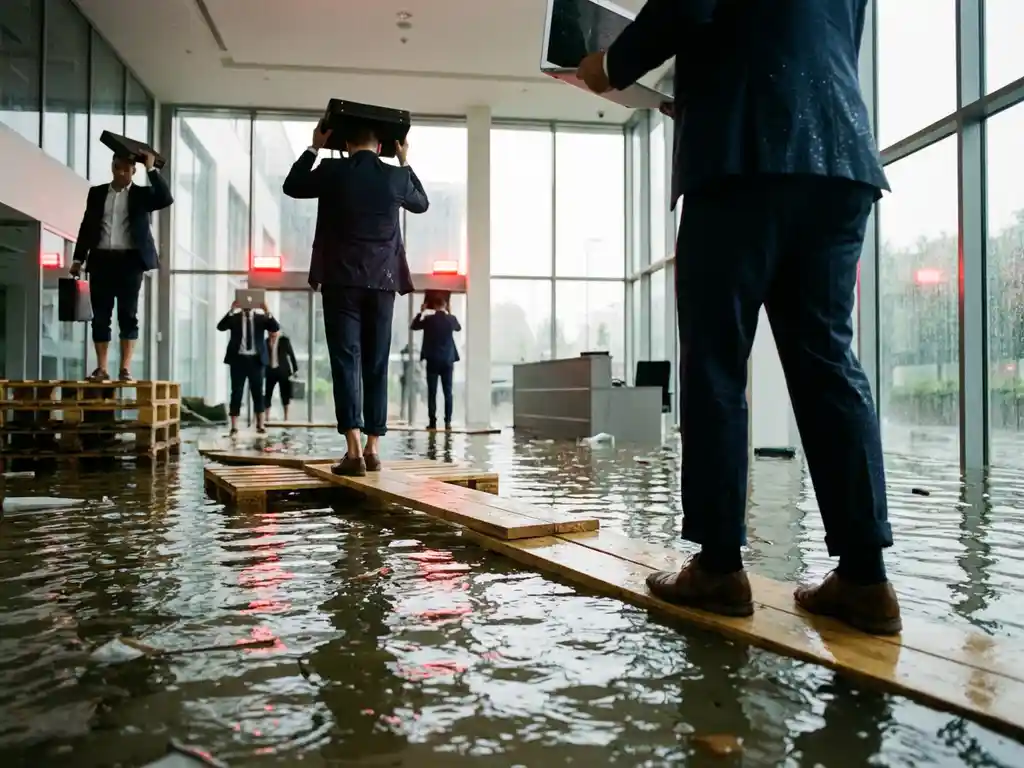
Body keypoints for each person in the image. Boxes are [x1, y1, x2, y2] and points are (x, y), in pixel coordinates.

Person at [577, 0, 900, 635]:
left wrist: (611, 64)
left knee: (716, 362)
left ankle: (719, 567)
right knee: (828, 363)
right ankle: (865, 577)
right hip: (838, 153)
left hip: (743, 150)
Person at [282, 122, 428, 477]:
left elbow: (293, 186)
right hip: (382, 281)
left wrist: (314, 147)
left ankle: (352, 452)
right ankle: (373, 448)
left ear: (345, 144)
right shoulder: (395, 177)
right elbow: (421, 203)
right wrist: (405, 162)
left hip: (341, 280)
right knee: (376, 362)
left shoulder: (332, 170)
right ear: (382, 147)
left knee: (345, 361)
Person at [70, 150, 173, 382]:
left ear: (133, 171)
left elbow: (166, 198)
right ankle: (102, 368)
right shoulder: (97, 194)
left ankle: (125, 369)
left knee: (128, 315)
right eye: (117, 167)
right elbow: (87, 226)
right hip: (101, 260)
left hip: (130, 261)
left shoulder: (142, 195)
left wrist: (151, 169)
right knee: (100, 316)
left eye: (126, 169)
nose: (121, 172)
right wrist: (78, 259)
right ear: (112, 167)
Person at [217, 299, 279, 435]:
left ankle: (260, 425)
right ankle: (234, 427)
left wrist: (267, 310)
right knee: (236, 392)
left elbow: (275, 327)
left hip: (256, 361)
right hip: (238, 360)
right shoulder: (234, 318)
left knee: (258, 393)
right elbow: (220, 327)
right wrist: (232, 310)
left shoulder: (261, 318)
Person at [410, 295, 461, 430]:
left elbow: (414, 326)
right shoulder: (451, 319)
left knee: (432, 392)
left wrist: (421, 311)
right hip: (447, 361)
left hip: (432, 360)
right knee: (448, 392)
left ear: (434, 306)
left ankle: (432, 422)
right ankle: (448, 422)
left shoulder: (428, 319)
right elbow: (458, 328)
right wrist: (450, 312)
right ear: (445, 305)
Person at [265, 329, 299, 421]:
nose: (270, 333)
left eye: (272, 331)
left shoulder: (284, 340)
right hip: (270, 371)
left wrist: (295, 370)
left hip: (283, 371)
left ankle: (286, 417)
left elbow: (291, 355)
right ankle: (266, 417)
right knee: (268, 394)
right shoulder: (266, 341)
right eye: (269, 331)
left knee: (284, 394)